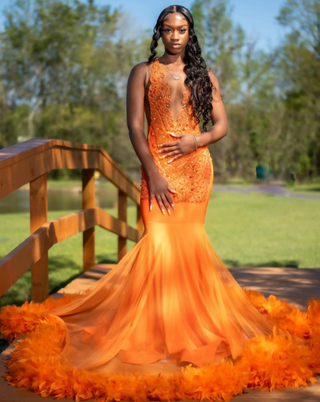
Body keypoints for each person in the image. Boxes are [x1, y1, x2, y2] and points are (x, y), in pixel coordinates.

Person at [1, 5, 320, 402]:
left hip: (195, 170)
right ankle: (153, 328)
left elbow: (221, 125)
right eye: (168, 29)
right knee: (158, 246)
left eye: (182, 29)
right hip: (157, 170)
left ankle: (190, 327)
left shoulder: (205, 75)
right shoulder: (142, 72)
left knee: (189, 249)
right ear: (159, 32)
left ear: (190, 34)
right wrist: (151, 170)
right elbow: (135, 126)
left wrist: (196, 140)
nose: (174, 36)